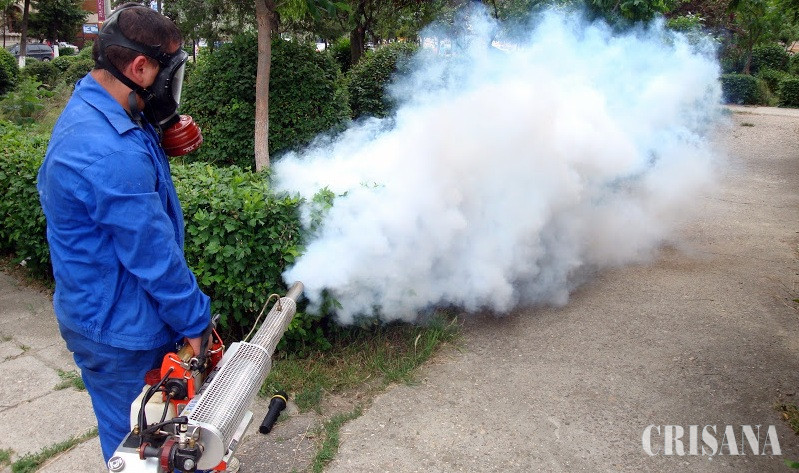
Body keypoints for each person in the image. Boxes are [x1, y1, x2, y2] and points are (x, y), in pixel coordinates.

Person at [36, 3, 213, 468]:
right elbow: (153, 256)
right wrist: (195, 321)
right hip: (120, 334)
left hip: (103, 310)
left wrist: (156, 131)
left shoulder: (102, 107)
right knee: (141, 452)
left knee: (159, 438)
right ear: (139, 67)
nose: (170, 88)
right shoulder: (110, 152)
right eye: (168, 75)